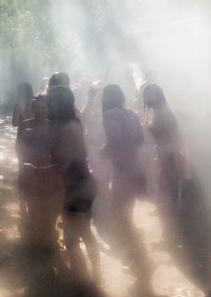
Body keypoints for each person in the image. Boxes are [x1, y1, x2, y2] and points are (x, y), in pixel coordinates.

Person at [143, 83, 211, 293]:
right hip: (168, 162)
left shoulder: (164, 115)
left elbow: (175, 141)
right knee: (169, 202)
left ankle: (181, 241)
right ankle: (175, 238)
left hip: (170, 163)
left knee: (173, 202)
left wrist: (180, 165)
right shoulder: (162, 113)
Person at [47, 85, 100, 282]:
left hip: (76, 187)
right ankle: (93, 278)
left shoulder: (67, 127)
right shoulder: (70, 122)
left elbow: (63, 164)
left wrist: (37, 171)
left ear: (60, 103)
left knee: (73, 238)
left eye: (51, 100)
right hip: (82, 183)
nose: (48, 104)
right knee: (83, 233)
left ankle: (84, 282)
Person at [101, 84, 153, 286]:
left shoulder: (110, 115)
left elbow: (114, 140)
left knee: (120, 217)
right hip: (136, 167)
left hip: (122, 171)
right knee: (126, 215)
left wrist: (105, 151)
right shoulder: (130, 113)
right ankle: (137, 259)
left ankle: (137, 259)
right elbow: (140, 139)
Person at [16, 93, 62, 248]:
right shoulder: (24, 125)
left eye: (43, 108)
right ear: (31, 109)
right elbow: (19, 147)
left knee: (50, 209)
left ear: (47, 109)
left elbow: (59, 153)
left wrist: (52, 169)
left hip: (50, 173)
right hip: (30, 173)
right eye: (36, 107)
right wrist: (23, 166)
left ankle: (49, 238)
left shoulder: (53, 126)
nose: (39, 111)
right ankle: (33, 241)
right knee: (34, 208)